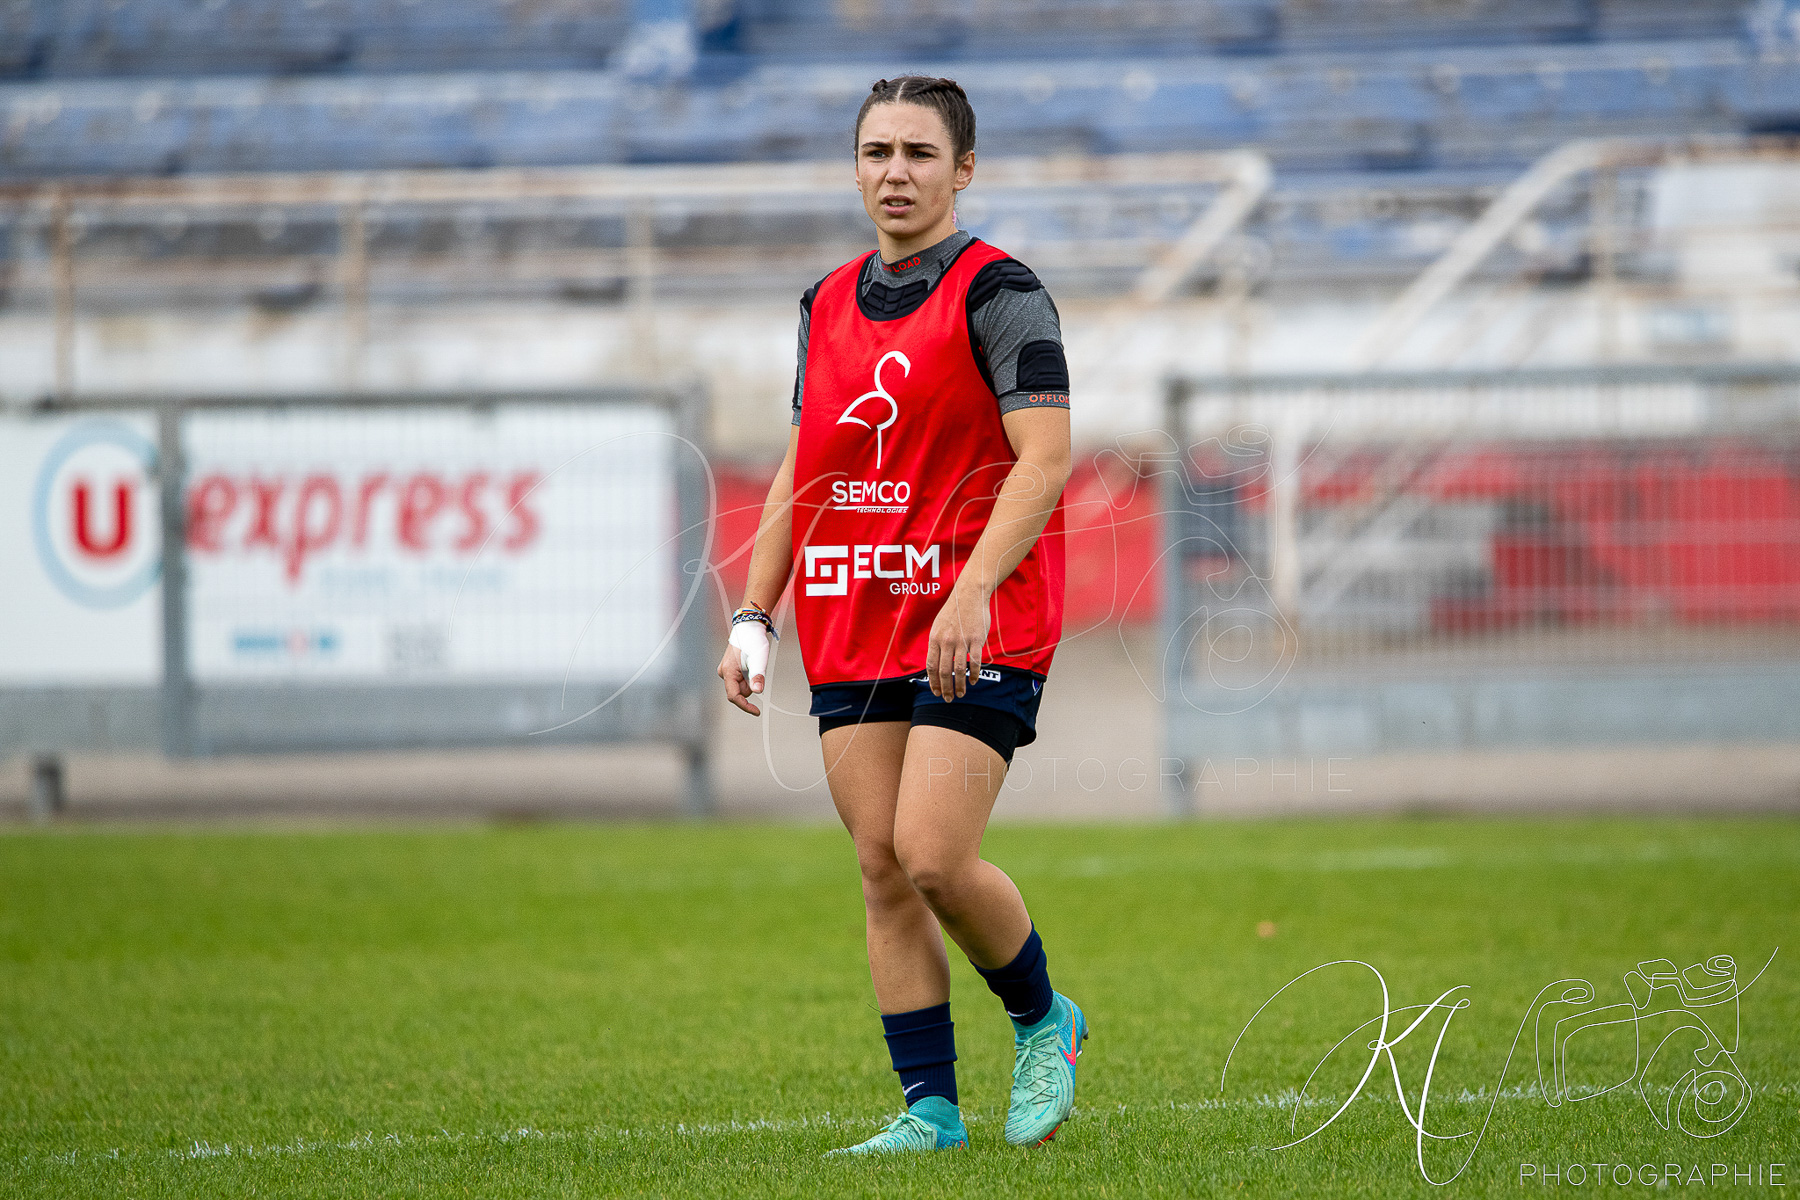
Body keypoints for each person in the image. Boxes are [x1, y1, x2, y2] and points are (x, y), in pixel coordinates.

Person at [719, 75, 1084, 1155]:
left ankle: (1043, 1021)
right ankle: (929, 1112)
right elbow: (805, 466)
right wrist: (754, 611)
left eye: (920, 153)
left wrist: (970, 586)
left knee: (931, 852)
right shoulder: (823, 304)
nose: (895, 172)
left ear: (964, 170)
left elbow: (1048, 456)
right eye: (877, 151)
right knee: (880, 865)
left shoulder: (1002, 291)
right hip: (853, 611)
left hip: (982, 616)